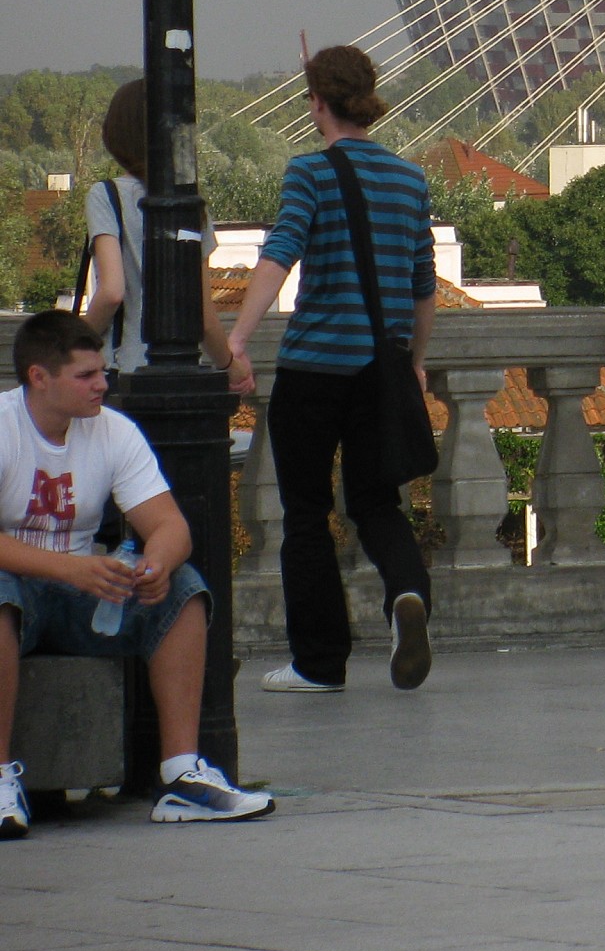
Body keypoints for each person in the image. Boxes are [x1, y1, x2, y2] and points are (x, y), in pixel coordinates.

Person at [0, 312, 275, 836]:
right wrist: (70, 569)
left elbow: (170, 524)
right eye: (85, 376)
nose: (102, 384)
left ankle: (180, 775)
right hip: (20, 585)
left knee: (185, 590)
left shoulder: (113, 430)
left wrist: (158, 563)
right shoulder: (4, 425)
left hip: (84, 590)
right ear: (39, 377)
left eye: (102, 371)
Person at [225, 46, 435, 696]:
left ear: (317, 104)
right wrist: (416, 363)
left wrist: (235, 339)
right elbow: (423, 285)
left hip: (315, 370)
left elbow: (278, 255)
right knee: (377, 502)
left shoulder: (309, 173)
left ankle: (319, 662)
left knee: (307, 513)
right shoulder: (409, 180)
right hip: (381, 371)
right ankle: (406, 594)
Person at [78, 77, 254, 395]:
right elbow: (202, 314)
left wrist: (68, 347)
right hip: (183, 377)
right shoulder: (191, 203)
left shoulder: (106, 195)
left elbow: (112, 292)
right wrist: (231, 367)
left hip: (124, 373)